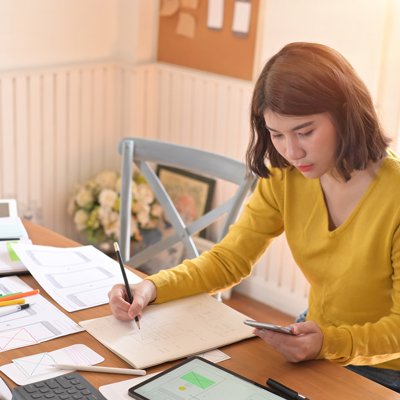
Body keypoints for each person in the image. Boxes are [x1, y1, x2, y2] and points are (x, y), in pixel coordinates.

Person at [108, 42, 400, 392]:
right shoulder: (287, 176)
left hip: (385, 367)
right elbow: (230, 259)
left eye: (305, 132)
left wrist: (328, 342)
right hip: (315, 340)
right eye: (277, 135)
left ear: (345, 114)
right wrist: (151, 287)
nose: (292, 152)